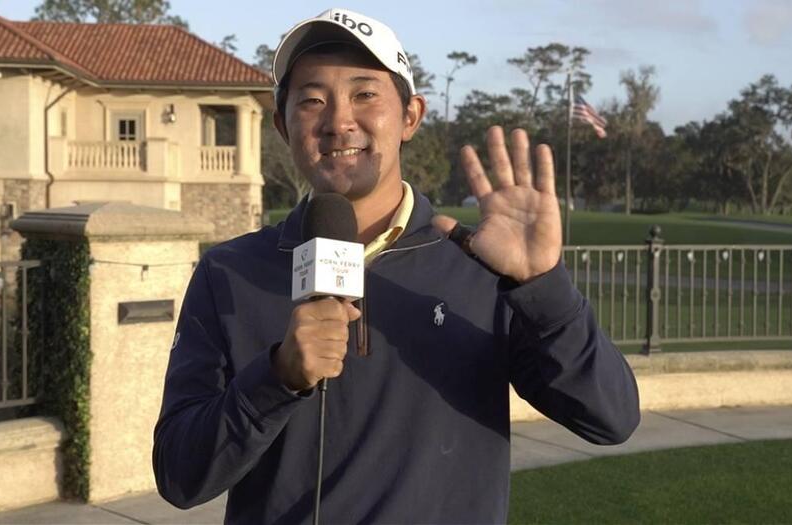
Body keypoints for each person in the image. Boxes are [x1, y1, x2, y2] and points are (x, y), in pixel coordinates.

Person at [153, 8, 639, 524]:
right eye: (312, 99)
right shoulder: (229, 272)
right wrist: (276, 379)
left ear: (410, 116)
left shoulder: (480, 266)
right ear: (282, 124)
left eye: (365, 95)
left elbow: (610, 418)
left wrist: (544, 287)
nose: (339, 121)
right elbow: (180, 477)